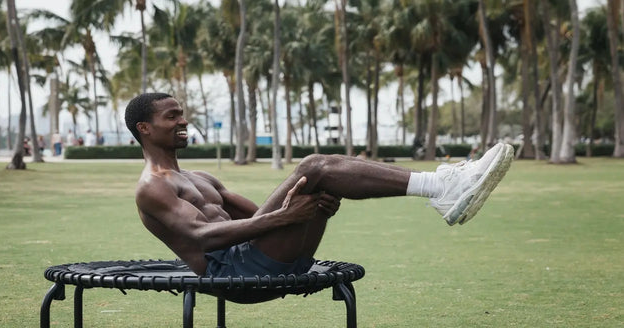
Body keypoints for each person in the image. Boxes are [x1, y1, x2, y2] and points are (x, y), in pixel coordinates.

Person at [125, 93, 514, 278]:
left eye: (182, 114)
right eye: (171, 116)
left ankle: (445, 187)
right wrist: (286, 218)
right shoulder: (151, 187)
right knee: (315, 167)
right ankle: (442, 186)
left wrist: (304, 210)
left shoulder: (199, 178)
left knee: (318, 173)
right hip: (231, 272)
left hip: (258, 256)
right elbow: (200, 237)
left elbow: (258, 215)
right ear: (145, 128)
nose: (183, 121)